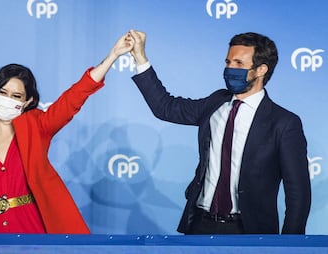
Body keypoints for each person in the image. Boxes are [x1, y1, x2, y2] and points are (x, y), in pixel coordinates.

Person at [127, 30, 311, 234]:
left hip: (250, 232)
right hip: (200, 225)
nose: (230, 68)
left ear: (261, 70)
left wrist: (287, 246)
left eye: (239, 64)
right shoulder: (216, 102)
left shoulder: (284, 123)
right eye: (228, 62)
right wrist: (139, 57)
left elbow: (298, 194)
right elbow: (165, 107)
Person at [0, 33, 133, 234]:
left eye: (16, 95)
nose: (7, 99)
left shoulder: (37, 125)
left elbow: (73, 98)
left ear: (27, 101)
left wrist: (113, 55)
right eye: (3, 92)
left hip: (30, 226)